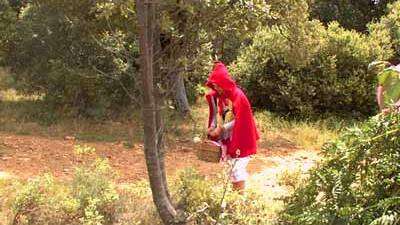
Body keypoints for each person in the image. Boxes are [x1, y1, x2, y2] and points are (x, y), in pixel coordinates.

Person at [205, 61, 259, 192]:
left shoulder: (238, 96)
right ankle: (234, 198)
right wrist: (214, 128)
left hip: (242, 139)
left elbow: (241, 121)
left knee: (237, 169)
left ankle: (238, 200)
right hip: (230, 139)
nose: (216, 88)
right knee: (232, 170)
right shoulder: (223, 97)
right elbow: (220, 115)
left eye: (218, 85)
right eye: (214, 86)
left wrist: (222, 128)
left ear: (224, 83)